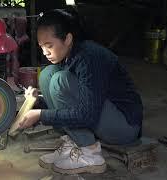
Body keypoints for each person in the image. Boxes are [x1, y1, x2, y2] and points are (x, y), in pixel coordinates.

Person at [18, 9, 143, 175]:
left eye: (49, 46)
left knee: (60, 80)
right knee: (48, 74)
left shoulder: (90, 57)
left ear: (68, 39)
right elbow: (67, 101)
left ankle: (90, 153)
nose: (45, 52)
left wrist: (41, 115)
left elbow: (87, 114)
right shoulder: (69, 54)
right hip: (102, 114)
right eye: (41, 47)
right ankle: (75, 140)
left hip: (124, 127)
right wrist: (36, 101)